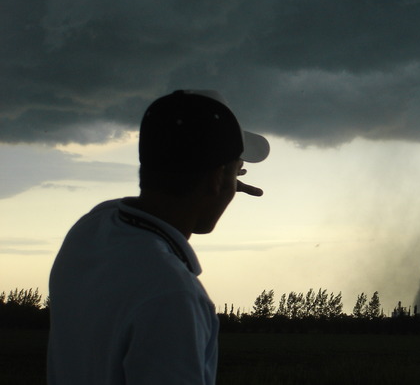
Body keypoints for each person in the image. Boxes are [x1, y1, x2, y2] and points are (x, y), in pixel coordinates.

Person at [47, 90, 270, 384]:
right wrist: (216, 183)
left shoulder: (89, 230)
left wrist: (217, 179)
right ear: (217, 178)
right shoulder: (174, 296)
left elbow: (153, 196)